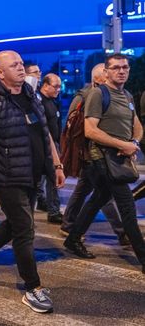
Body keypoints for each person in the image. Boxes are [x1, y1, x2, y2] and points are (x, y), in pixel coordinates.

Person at [0, 50, 64, 313]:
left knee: (17, 223)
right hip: (7, 177)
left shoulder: (31, 95)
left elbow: (45, 133)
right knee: (25, 229)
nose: (21, 68)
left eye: (21, 63)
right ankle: (32, 287)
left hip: (33, 174)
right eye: (14, 65)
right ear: (0, 73)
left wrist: (56, 165)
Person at [64, 54, 145, 274]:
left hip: (118, 157)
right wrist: (122, 144)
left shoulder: (127, 95)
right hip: (101, 158)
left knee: (98, 198)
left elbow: (136, 125)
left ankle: (72, 238)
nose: (122, 71)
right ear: (106, 72)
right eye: (116, 68)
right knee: (127, 207)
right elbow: (90, 131)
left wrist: (133, 143)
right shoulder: (99, 94)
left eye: (125, 67)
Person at [60, 63, 126, 242]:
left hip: (102, 152)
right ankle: (122, 232)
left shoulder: (107, 95)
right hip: (90, 154)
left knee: (83, 190)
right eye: (106, 79)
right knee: (104, 193)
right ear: (97, 80)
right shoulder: (86, 96)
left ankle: (68, 224)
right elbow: (73, 128)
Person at [38, 73, 63, 224]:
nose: (58, 89)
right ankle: (53, 211)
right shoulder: (38, 102)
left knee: (48, 178)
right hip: (45, 147)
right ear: (46, 85)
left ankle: (46, 204)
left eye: (60, 86)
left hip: (54, 145)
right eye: (56, 86)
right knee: (52, 178)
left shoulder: (53, 101)